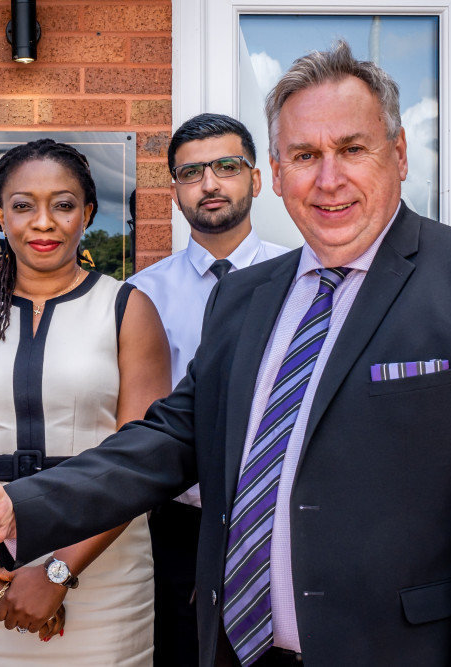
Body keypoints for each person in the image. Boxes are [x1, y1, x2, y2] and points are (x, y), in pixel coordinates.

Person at [0, 42, 451, 667]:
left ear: (399, 154)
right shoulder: (245, 296)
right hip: (238, 647)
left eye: (352, 149)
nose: (328, 179)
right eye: (305, 156)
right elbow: (167, 441)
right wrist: (16, 506)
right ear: (276, 172)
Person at [0, 138, 170, 665]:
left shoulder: (128, 309)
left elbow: (143, 462)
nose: (44, 222)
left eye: (63, 204)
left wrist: (58, 573)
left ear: (88, 214)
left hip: (104, 568)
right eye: (23, 205)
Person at [127, 113, 287, 667]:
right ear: (174, 192)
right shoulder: (140, 295)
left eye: (226, 166)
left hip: (275, 515)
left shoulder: (301, 280)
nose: (210, 183)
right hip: (178, 525)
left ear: (257, 178)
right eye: (191, 172)